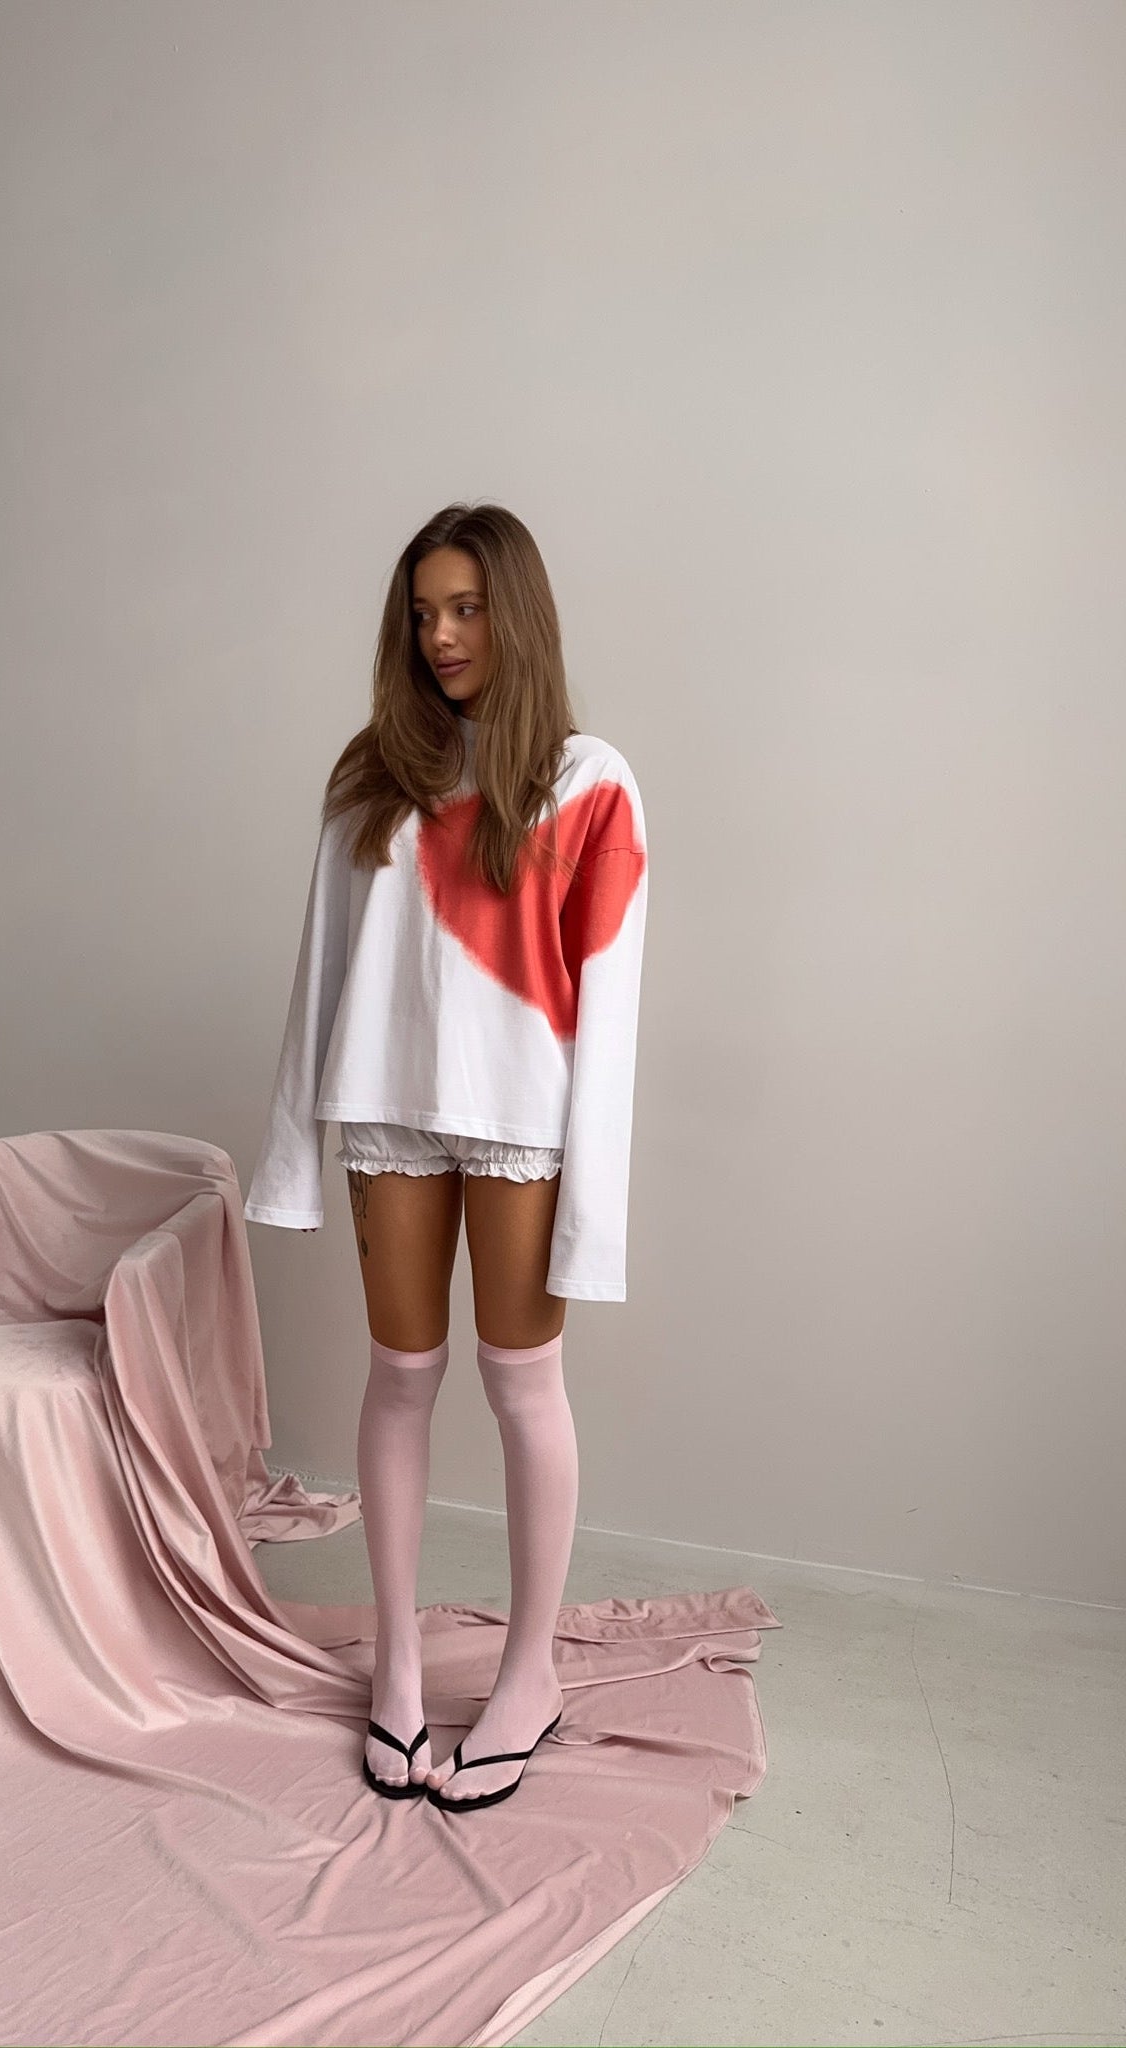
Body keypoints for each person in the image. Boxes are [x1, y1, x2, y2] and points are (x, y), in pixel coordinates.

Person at [242, 502, 648, 1812]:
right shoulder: (373, 777)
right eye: (424, 613)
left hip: (523, 1117)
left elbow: (610, 1007)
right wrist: (292, 1159)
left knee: (524, 1388)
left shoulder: (589, 781)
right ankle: (400, 1669)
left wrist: (594, 1208)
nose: (443, 636)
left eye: (467, 608)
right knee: (401, 1380)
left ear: (515, 613)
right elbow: (320, 973)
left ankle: (530, 1674)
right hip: (387, 1110)